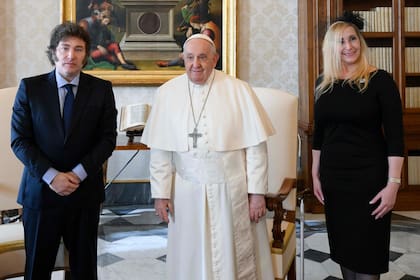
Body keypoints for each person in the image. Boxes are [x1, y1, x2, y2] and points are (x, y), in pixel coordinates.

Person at [141, 33, 275, 279]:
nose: (196, 64)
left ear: (215, 59)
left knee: (232, 256)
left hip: (230, 190)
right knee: (190, 256)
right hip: (185, 193)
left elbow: (256, 148)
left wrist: (257, 194)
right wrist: (160, 194)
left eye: (203, 57)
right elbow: (160, 151)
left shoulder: (238, 90)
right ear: (183, 58)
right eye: (190, 57)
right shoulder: (167, 93)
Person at [11, 21, 117, 279]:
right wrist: (52, 176)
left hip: (84, 194)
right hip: (40, 194)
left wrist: (77, 174)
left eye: (79, 49)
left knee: (84, 269)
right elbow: (20, 141)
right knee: (37, 268)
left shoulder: (101, 89)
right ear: (54, 52)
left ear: (86, 55)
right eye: (65, 48)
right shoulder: (30, 88)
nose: (71, 55)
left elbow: (107, 140)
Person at [311, 11, 404, 280]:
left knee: (367, 257)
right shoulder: (323, 83)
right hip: (334, 180)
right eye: (341, 41)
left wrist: (393, 184)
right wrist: (316, 175)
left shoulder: (381, 81)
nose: (349, 46)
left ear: (360, 42)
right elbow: (320, 133)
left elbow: (396, 138)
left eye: (353, 39)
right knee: (344, 251)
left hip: (369, 181)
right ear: (331, 47)